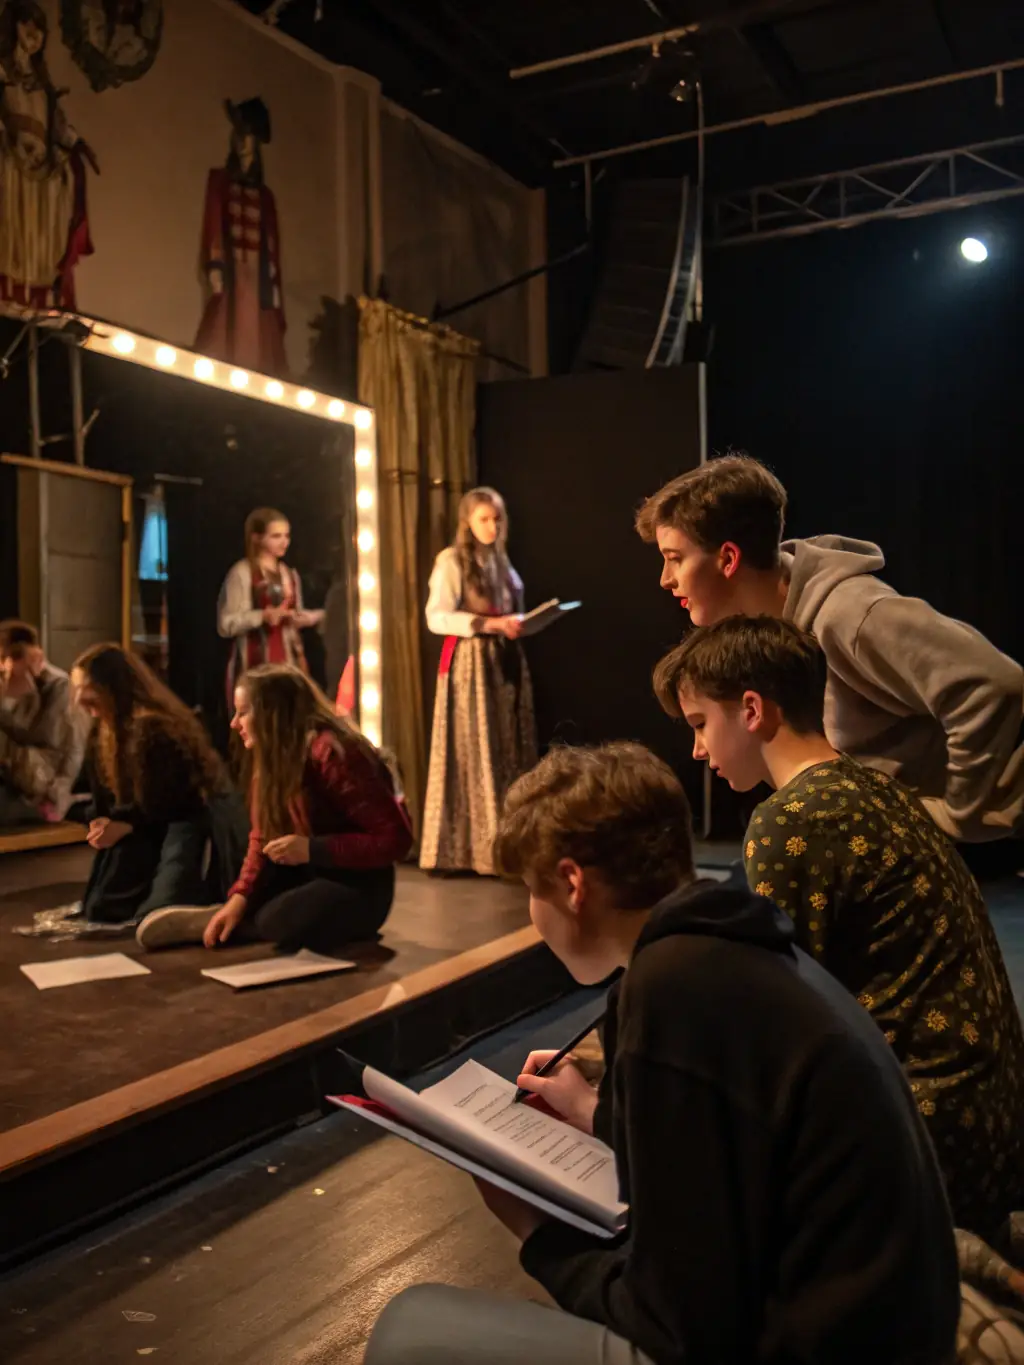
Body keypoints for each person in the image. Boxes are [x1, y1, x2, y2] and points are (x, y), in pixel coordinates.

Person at [364, 741, 960, 1365]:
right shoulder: (728, 940)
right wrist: (596, 1112)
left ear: (572, 884)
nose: (532, 912)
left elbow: (677, 1325)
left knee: (410, 1328)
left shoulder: (673, 987)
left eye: (530, 892)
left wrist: (537, 1233)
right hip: (891, 1325)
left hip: (818, 1344)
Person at [653, 614, 1024, 1244]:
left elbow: (781, 1024)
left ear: (751, 710)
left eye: (699, 724)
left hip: (931, 1140)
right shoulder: (873, 785)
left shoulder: (792, 818)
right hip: (994, 1124)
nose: (696, 750)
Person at [635, 453, 1024, 845]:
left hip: (954, 860)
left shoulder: (851, 615)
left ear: (728, 558)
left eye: (675, 559)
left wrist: (957, 820)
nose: (666, 579)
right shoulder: (768, 631)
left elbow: (992, 685)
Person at [135, 664, 412, 953]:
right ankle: (230, 917)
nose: (234, 723)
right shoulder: (274, 757)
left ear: (273, 714)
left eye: (243, 713)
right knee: (257, 889)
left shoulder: (333, 755)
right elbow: (263, 836)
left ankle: (239, 927)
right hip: (311, 869)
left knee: (278, 920)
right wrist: (240, 897)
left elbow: (396, 840)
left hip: (359, 882)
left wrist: (312, 849)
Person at [420, 487, 537, 875]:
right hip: (471, 661)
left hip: (502, 659)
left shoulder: (500, 560)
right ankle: (472, 851)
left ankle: (507, 845)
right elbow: (436, 616)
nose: (492, 526)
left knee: (506, 745)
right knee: (476, 748)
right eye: (484, 519)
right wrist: (489, 624)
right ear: (468, 522)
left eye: (497, 518)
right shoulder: (452, 560)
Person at [70, 643, 227, 924]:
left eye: (89, 688)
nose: (80, 698)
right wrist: (101, 820)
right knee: (100, 908)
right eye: (77, 688)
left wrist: (127, 825)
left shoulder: (152, 728)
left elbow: (177, 800)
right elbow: (97, 791)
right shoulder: (103, 729)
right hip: (140, 825)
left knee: (158, 910)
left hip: (176, 825)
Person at [217, 507, 323, 709]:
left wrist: (308, 617)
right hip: (254, 664)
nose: (284, 542)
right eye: (276, 536)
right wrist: (262, 616)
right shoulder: (242, 573)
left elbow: (296, 614)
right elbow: (226, 624)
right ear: (257, 538)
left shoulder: (289, 574)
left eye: (286, 536)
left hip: (288, 664)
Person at [0, 620, 88, 825]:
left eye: (5, 658)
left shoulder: (58, 686)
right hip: (22, 774)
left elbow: (48, 738)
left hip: (44, 782)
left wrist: (60, 792)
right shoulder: (17, 681)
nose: (3, 666)